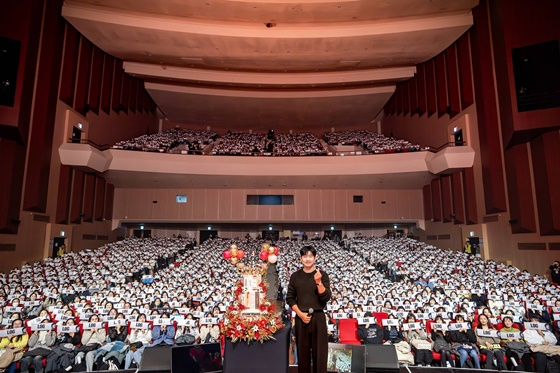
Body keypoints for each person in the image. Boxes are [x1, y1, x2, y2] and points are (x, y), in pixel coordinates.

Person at [286, 245, 332, 373]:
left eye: (310, 256)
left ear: (315, 258)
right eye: (305, 256)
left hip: (318, 318)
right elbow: (290, 298)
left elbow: (326, 297)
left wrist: (318, 282)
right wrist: (300, 314)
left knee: (320, 355)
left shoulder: (322, 275)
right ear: (301, 258)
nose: (307, 259)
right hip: (301, 318)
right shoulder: (295, 276)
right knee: (303, 354)